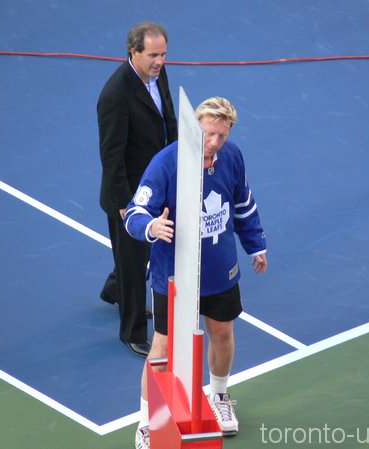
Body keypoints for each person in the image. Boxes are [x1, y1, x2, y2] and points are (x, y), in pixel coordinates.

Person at [124, 97, 267, 448]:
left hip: (219, 269)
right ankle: (147, 421)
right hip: (173, 274)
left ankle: (218, 395)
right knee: (164, 347)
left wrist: (256, 244)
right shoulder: (166, 163)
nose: (214, 143)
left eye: (221, 135)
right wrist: (152, 227)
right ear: (195, 127)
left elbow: (244, 203)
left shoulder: (231, 156)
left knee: (222, 331)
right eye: (208, 134)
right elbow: (134, 213)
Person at [97, 22, 178, 357]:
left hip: (155, 181)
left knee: (138, 253)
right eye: (153, 55)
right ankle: (132, 331)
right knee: (134, 261)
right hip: (130, 192)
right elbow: (111, 155)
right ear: (134, 52)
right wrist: (124, 202)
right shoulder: (116, 95)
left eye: (163, 54)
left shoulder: (159, 75)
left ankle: (114, 290)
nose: (160, 60)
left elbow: (167, 120)